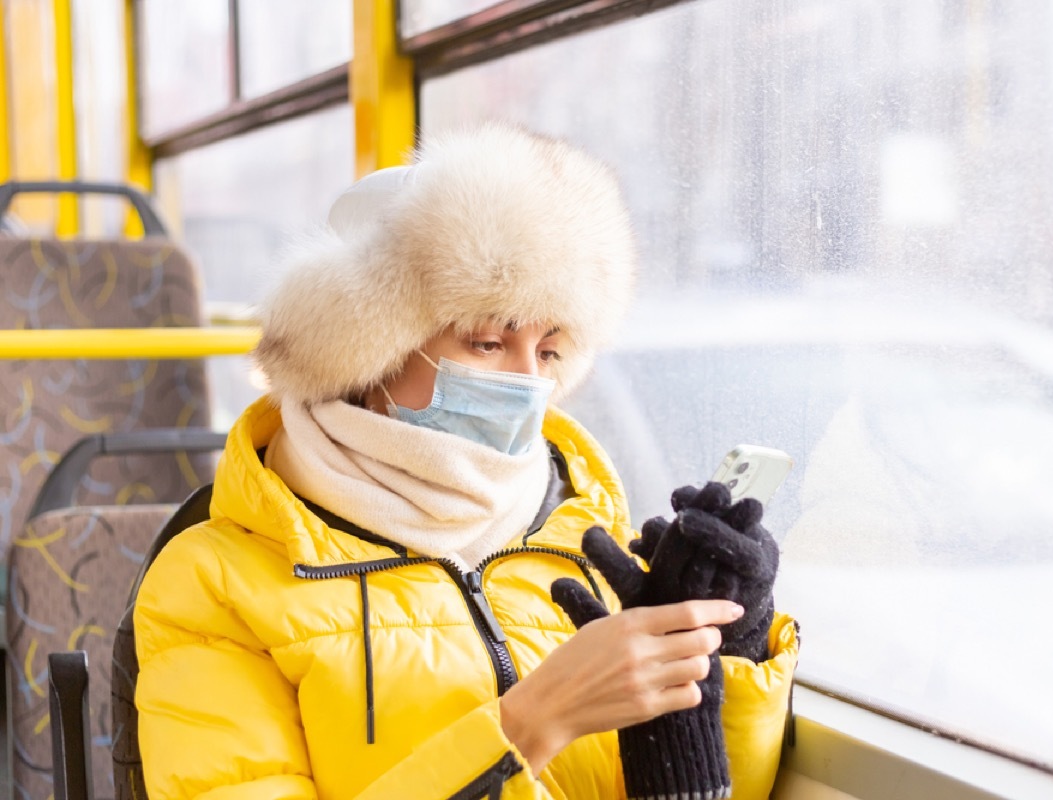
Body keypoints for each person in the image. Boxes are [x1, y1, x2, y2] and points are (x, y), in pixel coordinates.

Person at [134, 123, 799, 800]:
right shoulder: (212, 587)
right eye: (487, 341)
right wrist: (533, 724)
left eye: (548, 352)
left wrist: (726, 653)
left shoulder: (585, 538)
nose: (527, 384)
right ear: (368, 349)